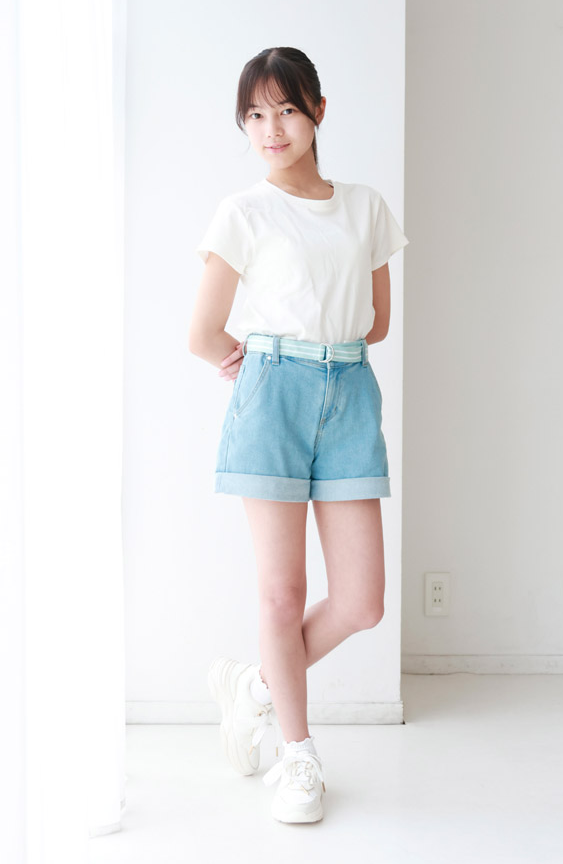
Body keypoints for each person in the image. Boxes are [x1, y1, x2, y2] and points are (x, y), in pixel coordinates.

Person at [188, 46, 409, 824]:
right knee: (282, 593)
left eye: (285, 109)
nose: (270, 128)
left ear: (318, 109)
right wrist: (258, 364)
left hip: (348, 391)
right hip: (272, 394)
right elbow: (203, 333)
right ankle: (298, 755)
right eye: (254, 114)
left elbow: (376, 323)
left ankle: (253, 686)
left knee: (362, 602)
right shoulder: (243, 212)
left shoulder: (366, 208)